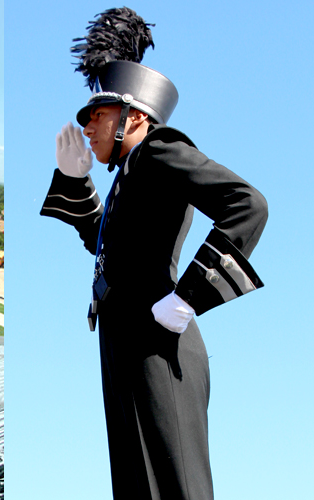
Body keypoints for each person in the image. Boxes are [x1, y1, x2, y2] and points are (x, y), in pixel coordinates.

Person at [40, 8, 268, 499]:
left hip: (157, 339)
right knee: (137, 485)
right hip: (125, 341)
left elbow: (247, 204)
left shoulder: (159, 149)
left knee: (175, 486)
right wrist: (76, 181)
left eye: (98, 115)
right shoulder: (128, 175)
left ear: (135, 116)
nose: (89, 126)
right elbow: (106, 247)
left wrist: (186, 299)